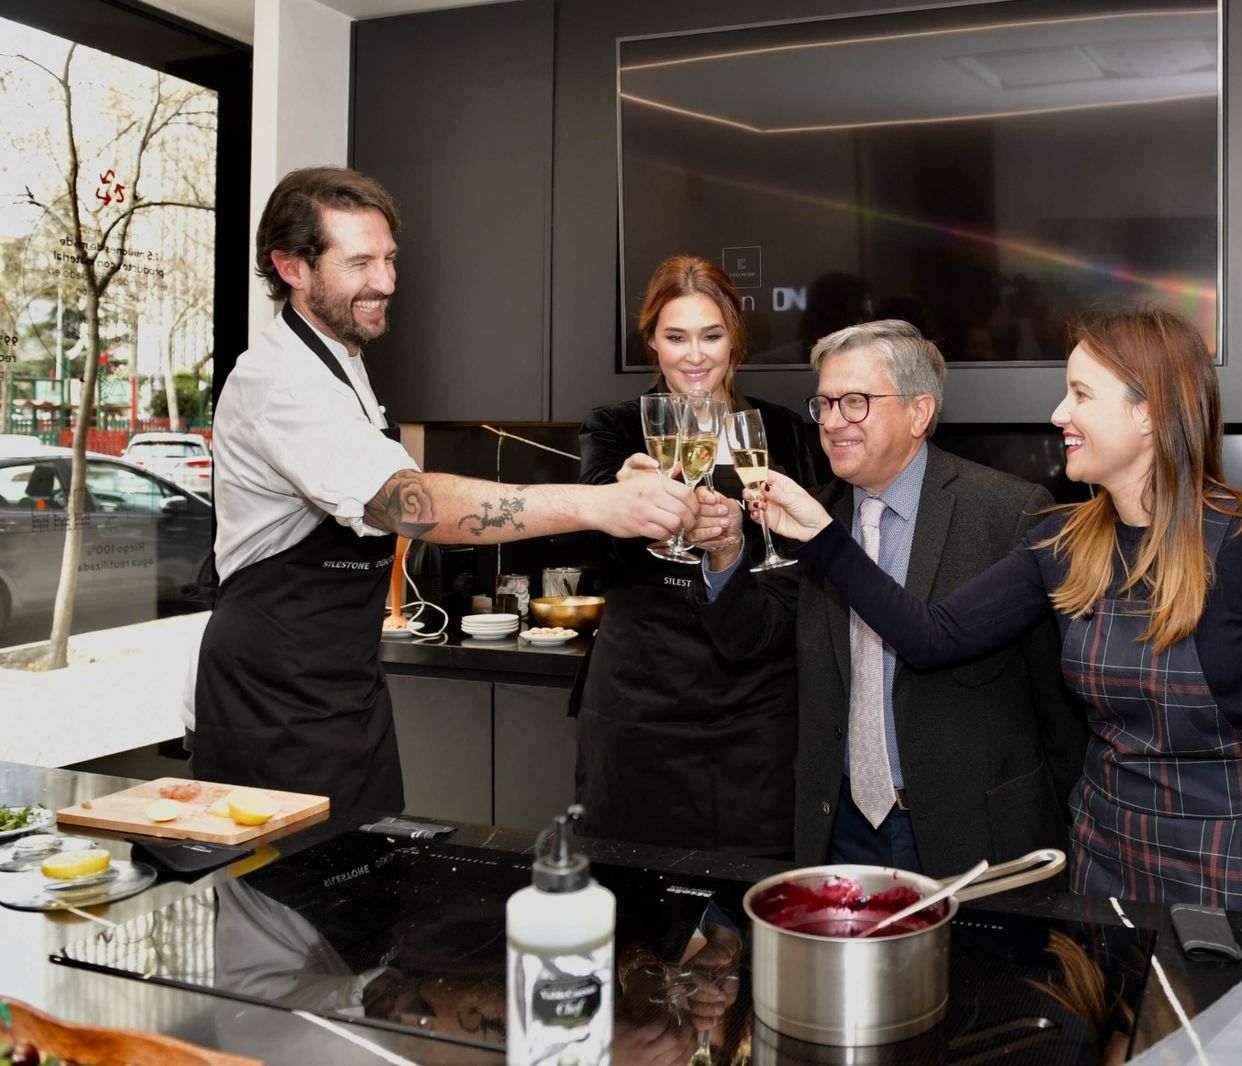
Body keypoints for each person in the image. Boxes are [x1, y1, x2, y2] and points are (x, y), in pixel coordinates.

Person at [746, 309, 1242, 912]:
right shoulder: (1061, 542)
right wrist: (825, 536)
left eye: (1080, 395)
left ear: (1147, 413)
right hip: (1102, 859)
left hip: (1226, 860)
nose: (1058, 414)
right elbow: (933, 636)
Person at [193, 167, 697, 811]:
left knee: (360, 884)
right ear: (291, 267)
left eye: (389, 259)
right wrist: (598, 504)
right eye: (359, 263)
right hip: (269, 698)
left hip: (341, 686)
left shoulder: (341, 361)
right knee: (281, 901)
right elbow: (413, 504)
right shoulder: (280, 383)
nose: (385, 281)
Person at [691, 319, 1080, 877]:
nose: (831, 423)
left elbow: (1056, 696)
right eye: (823, 404)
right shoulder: (813, 517)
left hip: (978, 832)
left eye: (854, 402)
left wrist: (1072, 820)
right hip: (845, 827)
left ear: (919, 412)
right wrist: (728, 554)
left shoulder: (1004, 512)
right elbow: (749, 639)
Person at [573, 256, 815, 855]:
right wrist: (626, 513)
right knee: (643, 904)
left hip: (758, 703)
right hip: (644, 700)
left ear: (735, 338)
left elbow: (807, 558)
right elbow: (598, 551)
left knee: (749, 899)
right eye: (676, 337)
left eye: (712, 335)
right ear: (651, 341)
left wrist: (741, 544)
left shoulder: (782, 431)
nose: (696, 355)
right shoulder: (617, 429)